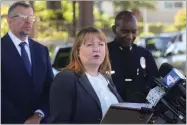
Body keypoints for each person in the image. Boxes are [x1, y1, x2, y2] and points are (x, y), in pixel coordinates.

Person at [50, 27, 123, 124]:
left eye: (101, 44)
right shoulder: (66, 79)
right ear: (77, 51)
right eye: (90, 45)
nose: (96, 49)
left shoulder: (106, 78)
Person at [1, 1, 54, 124]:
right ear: (9, 21)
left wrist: (39, 114)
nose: (28, 21)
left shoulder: (41, 50)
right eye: (23, 17)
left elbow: (49, 87)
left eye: (31, 17)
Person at [108, 10, 158, 103]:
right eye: (125, 31)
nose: (130, 36)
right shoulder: (103, 53)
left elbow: (156, 86)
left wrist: (150, 106)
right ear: (115, 29)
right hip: (110, 111)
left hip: (140, 113)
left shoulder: (145, 55)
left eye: (134, 32)